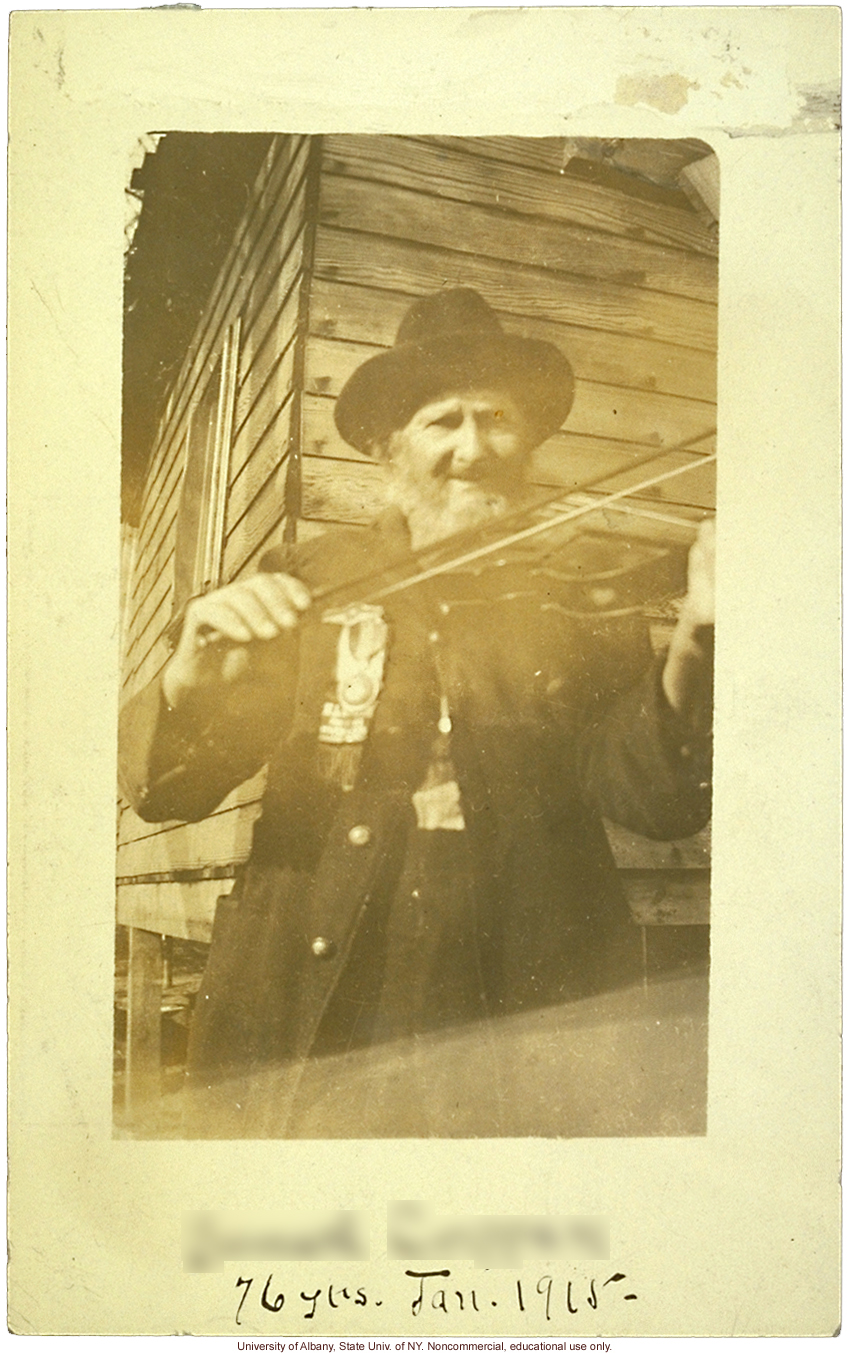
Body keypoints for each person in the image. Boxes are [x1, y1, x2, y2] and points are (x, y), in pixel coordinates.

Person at [119, 289, 714, 1137]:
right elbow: (168, 792)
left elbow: (652, 800)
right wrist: (190, 672)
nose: (473, 449)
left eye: (496, 420)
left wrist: (694, 640)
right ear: (387, 448)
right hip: (322, 968)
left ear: (528, 441)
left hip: (520, 970)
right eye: (444, 422)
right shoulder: (307, 578)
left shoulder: (576, 594)